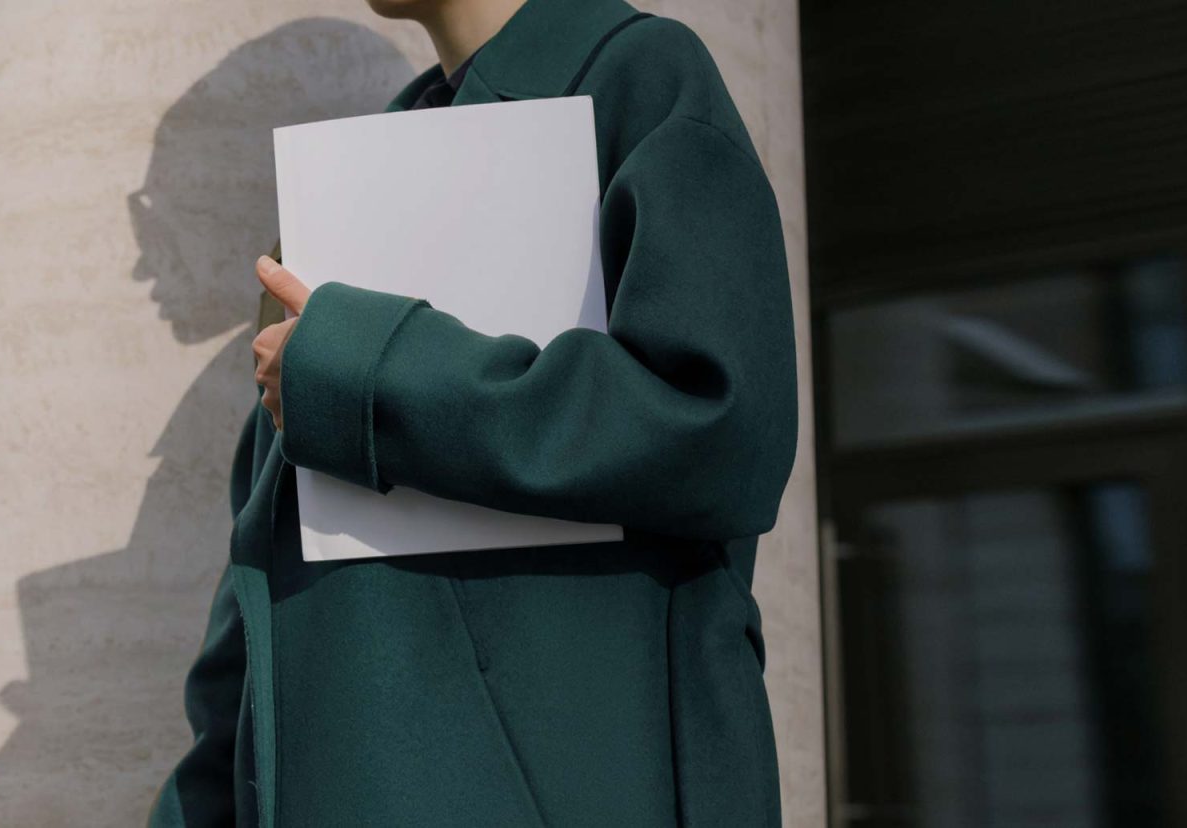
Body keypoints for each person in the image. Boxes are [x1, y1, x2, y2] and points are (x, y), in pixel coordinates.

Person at [150, 0, 798, 824]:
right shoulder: (357, 180)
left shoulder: (639, 77)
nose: (145, 260)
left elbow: (722, 428)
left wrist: (369, 374)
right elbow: (260, 603)